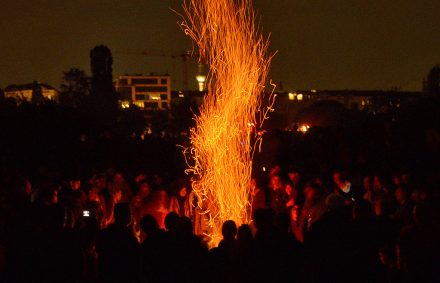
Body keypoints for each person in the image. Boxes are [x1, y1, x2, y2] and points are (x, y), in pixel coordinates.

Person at [96, 203, 139, 283]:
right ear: (128, 216)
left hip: (105, 275)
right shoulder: (129, 238)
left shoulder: (104, 233)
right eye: (130, 213)